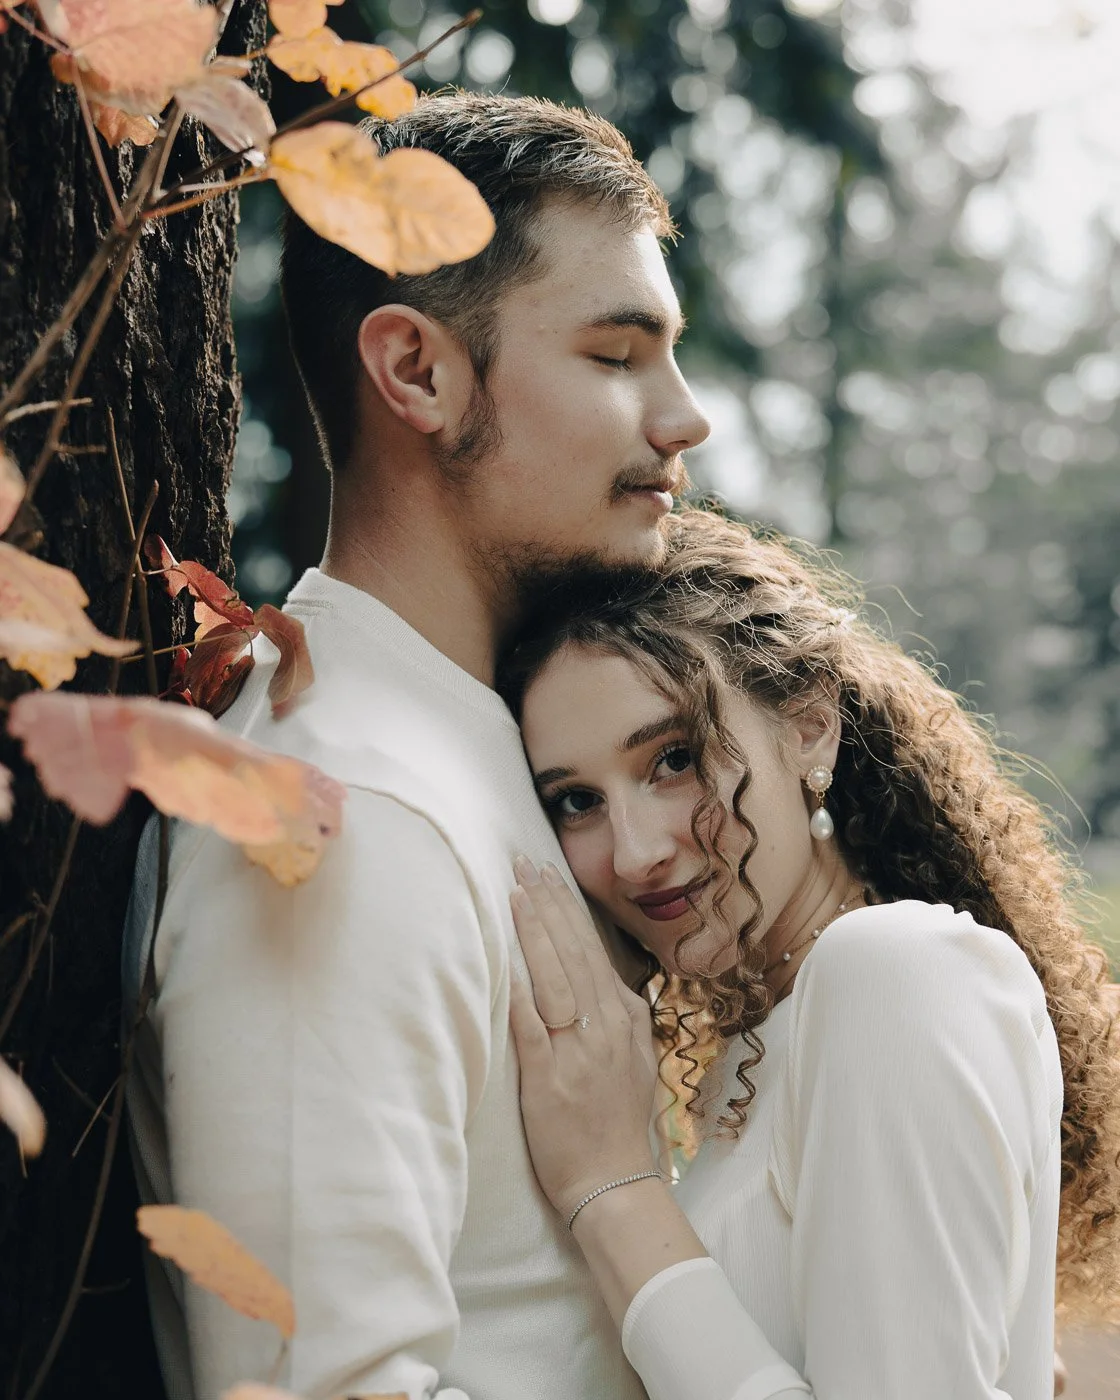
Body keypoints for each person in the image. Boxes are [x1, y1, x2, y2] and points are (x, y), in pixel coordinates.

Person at [122, 92, 710, 1400]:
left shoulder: (471, 744)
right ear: (419, 373)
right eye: (619, 356)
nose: (685, 420)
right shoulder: (340, 804)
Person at [496, 506, 1120, 1400]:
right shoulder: (757, 1049)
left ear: (809, 729)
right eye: (575, 801)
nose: (634, 852)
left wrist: (616, 1192)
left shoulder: (895, 971)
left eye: (673, 758)